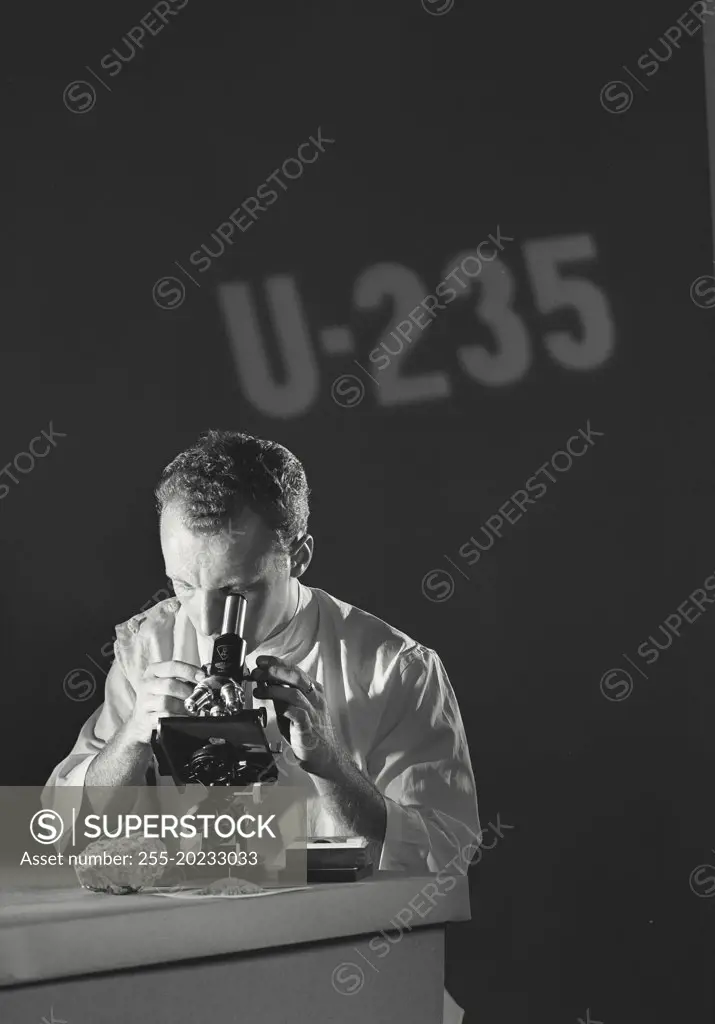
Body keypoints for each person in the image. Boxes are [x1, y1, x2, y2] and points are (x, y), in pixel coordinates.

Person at [44, 429, 479, 874]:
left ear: (300, 556)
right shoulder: (148, 648)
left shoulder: (398, 670)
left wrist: (332, 767)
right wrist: (130, 741)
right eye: (185, 586)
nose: (208, 624)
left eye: (238, 590)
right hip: (183, 934)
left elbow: (447, 858)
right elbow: (57, 833)